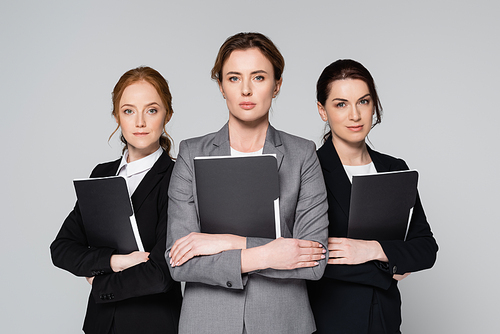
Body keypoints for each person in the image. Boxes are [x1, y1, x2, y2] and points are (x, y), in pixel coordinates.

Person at [166, 32, 329, 334]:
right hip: (207, 323)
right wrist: (269, 254)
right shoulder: (190, 154)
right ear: (221, 87)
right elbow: (179, 262)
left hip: (283, 323)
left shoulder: (303, 154)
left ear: (277, 85)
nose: (245, 90)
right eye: (233, 78)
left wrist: (224, 242)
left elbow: (314, 260)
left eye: (258, 77)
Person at [306, 59, 438, 333]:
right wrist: (390, 266)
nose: (355, 115)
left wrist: (373, 249)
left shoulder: (394, 168)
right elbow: (310, 259)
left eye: (363, 102)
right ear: (323, 110)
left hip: (386, 323)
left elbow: (426, 248)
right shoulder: (308, 170)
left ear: (374, 104)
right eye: (341, 104)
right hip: (329, 324)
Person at [50, 67, 182, 334]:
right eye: (129, 110)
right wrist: (114, 261)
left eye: (152, 110)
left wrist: (99, 282)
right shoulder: (102, 174)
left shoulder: (179, 177)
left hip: (153, 325)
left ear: (167, 114)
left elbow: (161, 274)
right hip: (100, 325)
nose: (140, 122)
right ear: (117, 116)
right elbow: (62, 248)